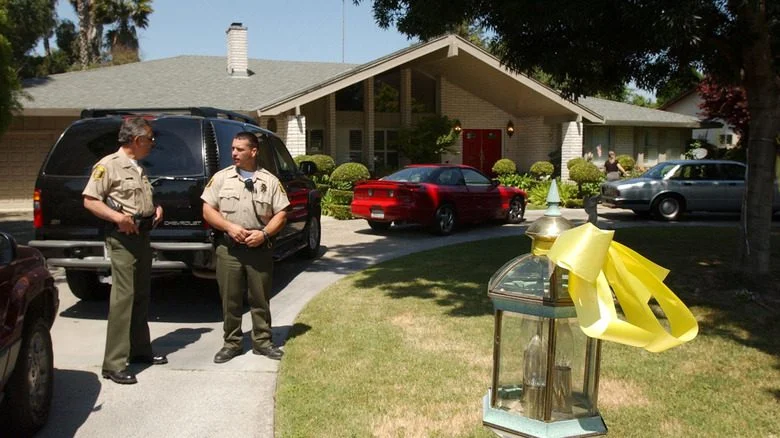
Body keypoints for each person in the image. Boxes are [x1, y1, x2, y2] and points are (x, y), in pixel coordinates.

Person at [82, 117, 166, 385]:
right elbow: (90, 200)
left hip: (142, 236)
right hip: (122, 239)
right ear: (137, 140)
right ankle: (114, 363)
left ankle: (140, 351)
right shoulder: (108, 165)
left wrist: (155, 210)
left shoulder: (137, 166)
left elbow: (137, 200)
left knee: (141, 294)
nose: (152, 143)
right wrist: (118, 218)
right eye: (150, 139)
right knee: (123, 298)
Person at [201, 131, 290, 363]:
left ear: (253, 151)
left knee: (260, 298)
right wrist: (229, 227)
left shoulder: (270, 181)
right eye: (233, 148)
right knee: (229, 299)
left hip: (259, 248)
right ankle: (231, 343)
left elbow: (282, 214)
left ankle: (263, 342)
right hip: (229, 249)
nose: (234, 153)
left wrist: (264, 234)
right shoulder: (221, 178)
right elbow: (207, 209)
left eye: (240, 149)